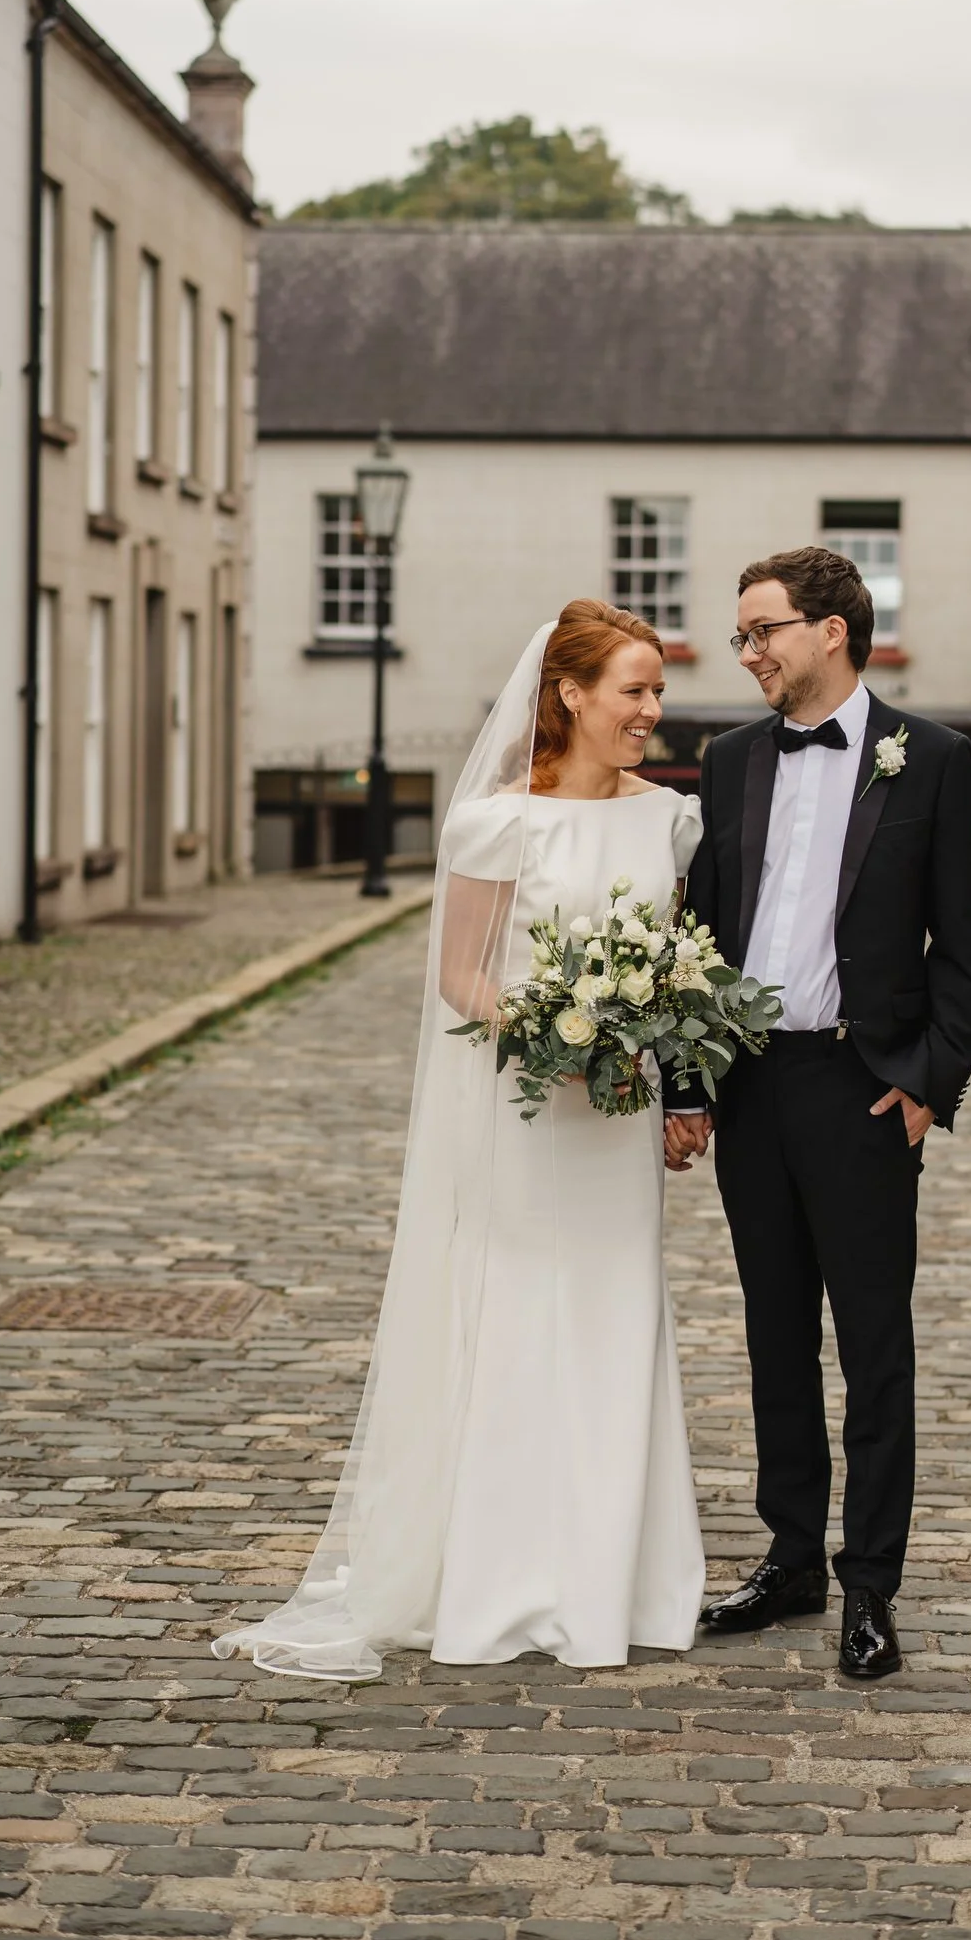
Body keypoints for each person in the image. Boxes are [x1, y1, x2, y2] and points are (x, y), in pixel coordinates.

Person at [214, 601, 706, 1677]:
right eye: (634, 689)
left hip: (613, 1127)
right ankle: (502, 1576)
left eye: (658, 690)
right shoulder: (497, 824)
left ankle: (612, 1579)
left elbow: (674, 969)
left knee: (619, 1313)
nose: (652, 711)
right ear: (570, 693)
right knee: (519, 1313)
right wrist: (551, 1039)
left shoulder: (669, 820)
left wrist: (647, 1058)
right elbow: (463, 976)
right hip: (528, 1117)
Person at [664, 548, 971, 1680]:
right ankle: (792, 1555)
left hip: (863, 1092)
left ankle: (870, 1588)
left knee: (874, 1346)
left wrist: (930, 1084)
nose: (748, 652)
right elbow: (700, 936)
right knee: (773, 1334)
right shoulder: (732, 759)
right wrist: (687, 1082)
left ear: (833, 631)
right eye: (742, 634)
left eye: (764, 631)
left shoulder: (932, 760)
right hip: (755, 1088)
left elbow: (959, 946)